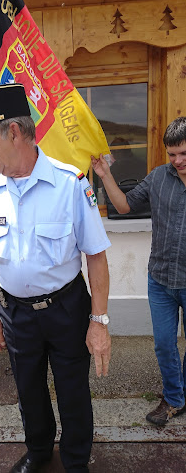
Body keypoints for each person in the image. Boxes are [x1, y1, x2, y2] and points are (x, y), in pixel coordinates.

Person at [0, 83, 111, 473]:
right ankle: (39, 452)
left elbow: (95, 256)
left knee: (72, 390)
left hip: (66, 309)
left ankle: (76, 461)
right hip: (15, 312)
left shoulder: (69, 183)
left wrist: (99, 322)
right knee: (28, 390)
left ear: (13, 132)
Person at [91, 116, 186, 427]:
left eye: (184, 153)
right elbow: (123, 206)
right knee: (163, 343)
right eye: (172, 154)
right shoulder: (159, 177)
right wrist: (105, 175)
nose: (178, 161)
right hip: (160, 279)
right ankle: (174, 398)